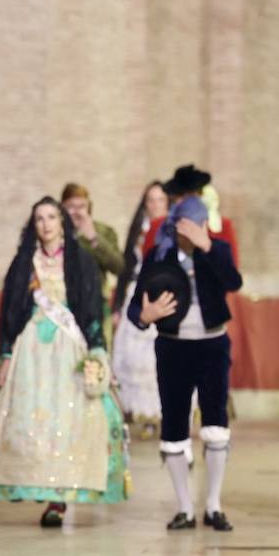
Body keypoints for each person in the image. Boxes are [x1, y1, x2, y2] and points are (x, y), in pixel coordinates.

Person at [0, 197, 130, 527]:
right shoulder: (23, 263)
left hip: (68, 351)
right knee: (33, 420)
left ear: (62, 222)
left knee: (69, 420)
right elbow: (9, 314)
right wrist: (4, 355)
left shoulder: (80, 261)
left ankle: (59, 498)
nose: (45, 224)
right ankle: (35, 481)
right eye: (39, 219)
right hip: (29, 351)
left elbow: (90, 310)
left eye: (51, 217)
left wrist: (98, 353)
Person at [128, 194, 242, 531]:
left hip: (212, 345)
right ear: (177, 225)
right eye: (190, 224)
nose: (196, 229)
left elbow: (234, 282)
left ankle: (214, 505)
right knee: (174, 427)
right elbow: (137, 307)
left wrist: (207, 245)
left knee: (216, 424)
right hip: (173, 347)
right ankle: (184, 508)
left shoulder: (217, 251)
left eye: (202, 223)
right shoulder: (158, 256)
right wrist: (145, 316)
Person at [111, 181, 168, 438]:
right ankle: (140, 414)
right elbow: (124, 271)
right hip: (136, 294)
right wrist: (116, 307)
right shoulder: (138, 232)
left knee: (157, 359)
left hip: (162, 294)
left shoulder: (171, 230)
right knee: (133, 358)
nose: (155, 205)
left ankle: (163, 413)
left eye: (160, 200)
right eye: (150, 200)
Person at [61, 183, 123, 348]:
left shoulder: (104, 231)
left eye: (82, 206)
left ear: (89, 207)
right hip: (63, 306)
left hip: (97, 305)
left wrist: (94, 239)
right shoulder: (56, 232)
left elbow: (119, 267)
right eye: (71, 207)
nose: (77, 212)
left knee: (96, 359)